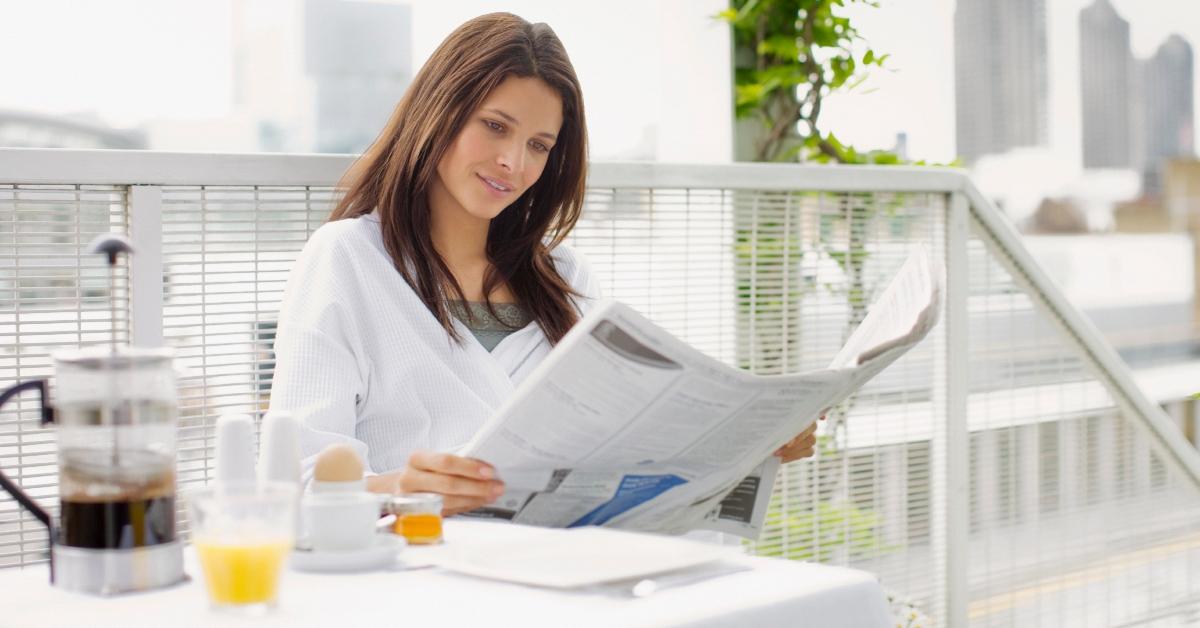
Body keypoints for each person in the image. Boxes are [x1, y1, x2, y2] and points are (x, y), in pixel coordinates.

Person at [269, 12, 818, 517]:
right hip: (423, 572)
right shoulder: (347, 260)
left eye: (538, 144)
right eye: (495, 126)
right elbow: (290, 486)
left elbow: (624, 446)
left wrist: (748, 442)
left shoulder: (566, 279)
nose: (513, 162)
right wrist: (398, 488)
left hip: (563, 568)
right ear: (440, 112)